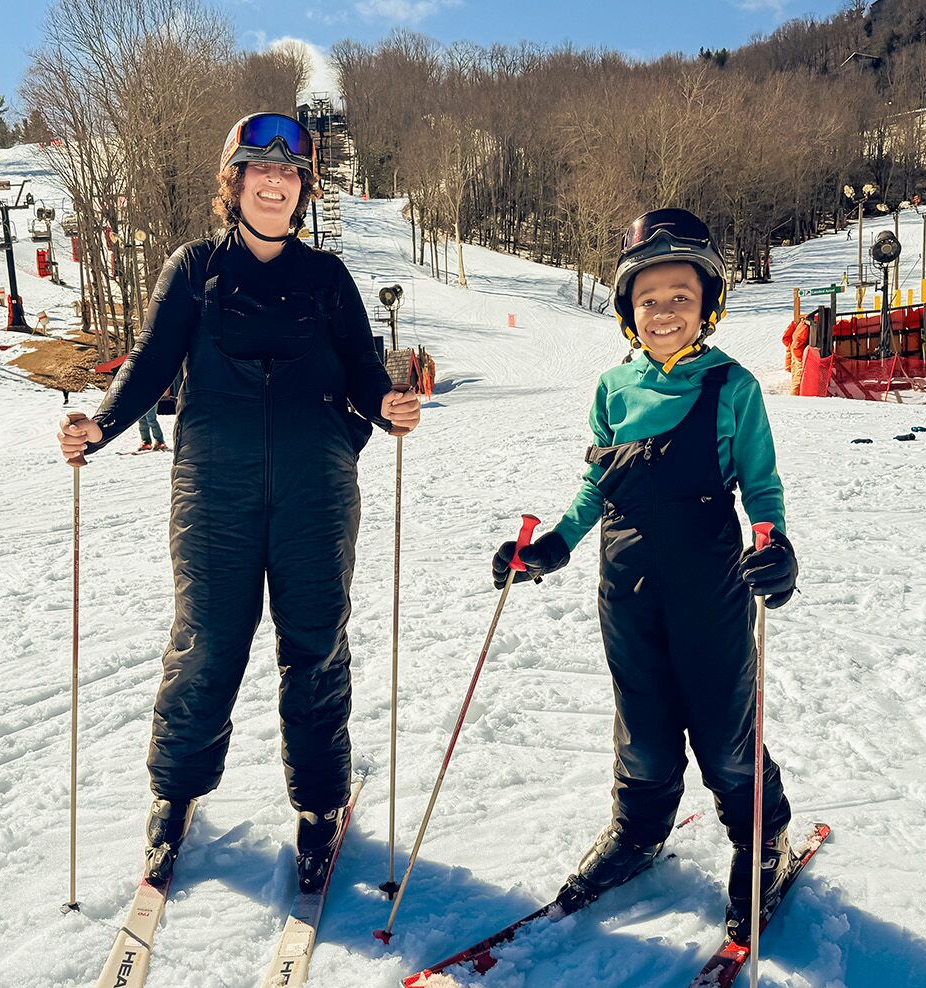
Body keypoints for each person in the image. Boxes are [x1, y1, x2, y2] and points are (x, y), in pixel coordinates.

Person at [56, 113, 422, 891]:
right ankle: (175, 794)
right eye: (259, 170)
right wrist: (102, 424)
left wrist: (387, 403)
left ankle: (321, 807)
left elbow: (362, 367)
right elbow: (153, 362)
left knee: (315, 643)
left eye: (289, 174)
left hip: (316, 489)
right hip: (213, 490)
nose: (275, 182)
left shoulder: (328, 279)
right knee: (208, 640)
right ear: (235, 183)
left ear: (302, 191)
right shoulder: (193, 269)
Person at [490, 208, 799, 942]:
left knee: (725, 731)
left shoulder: (733, 387)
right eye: (649, 299)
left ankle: (765, 840)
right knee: (646, 727)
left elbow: (761, 486)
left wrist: (775, 545)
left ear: (708, 304)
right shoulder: (611, 390)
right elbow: (599, 484)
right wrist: (553, 546)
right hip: (624, 585)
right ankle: (639, 830)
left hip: (710, 584)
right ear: (628, 308)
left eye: (680, 297)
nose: (664, 312)